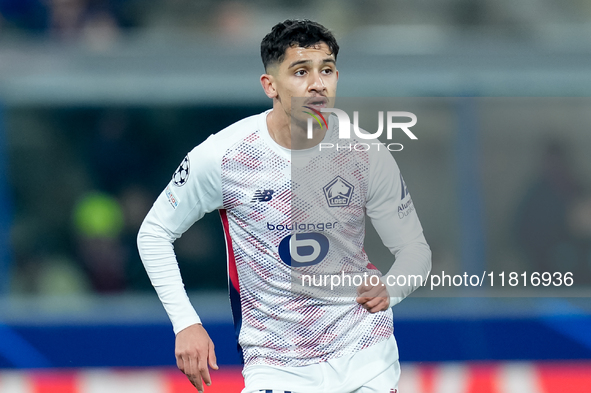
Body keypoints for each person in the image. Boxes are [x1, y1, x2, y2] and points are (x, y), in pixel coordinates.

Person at [137, 19, 431, 393]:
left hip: (363, 354)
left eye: (326, 70)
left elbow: (415, 251)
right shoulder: (224, 155)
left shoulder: (366, 153)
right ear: (270, 85)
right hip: (276, 364)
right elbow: (154, 233)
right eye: (300, 72)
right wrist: (185, 323)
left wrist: (392, 287)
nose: (317, 84)